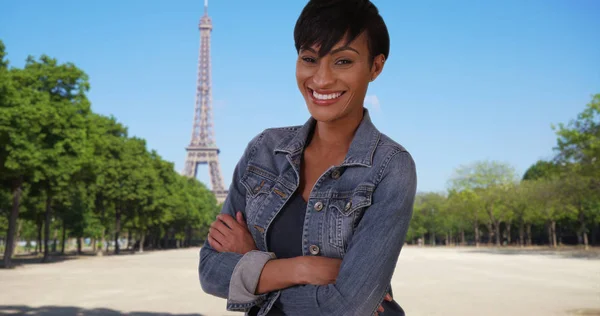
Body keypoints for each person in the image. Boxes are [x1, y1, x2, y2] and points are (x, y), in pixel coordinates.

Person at [199, 0, 417, 315]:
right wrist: (302, 268)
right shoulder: (264, 149)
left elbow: (347, 306)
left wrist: (253, 269)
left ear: (375, 67)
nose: (322, 79)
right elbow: (210, 270)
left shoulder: (391, 167)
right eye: (310, 59)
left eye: (343, 61)